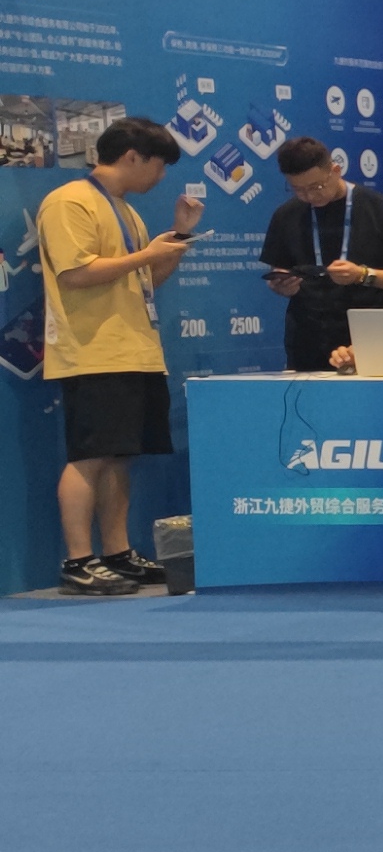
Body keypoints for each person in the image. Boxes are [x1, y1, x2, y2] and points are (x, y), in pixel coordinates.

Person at [41, 117, 202, 598]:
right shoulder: (70, 201)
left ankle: (117, 552)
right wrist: (146, 255)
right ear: (133, 157)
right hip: (93, 351)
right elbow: (75, 273)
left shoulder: (127, 212)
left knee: (119, 457)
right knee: (89, 456)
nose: (161, 177)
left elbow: (145, 281)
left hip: (135, 349)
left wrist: (177, 239)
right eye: (159, 165)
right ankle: (78, 560)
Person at [255, 135, 383, 372]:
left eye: (316, 187)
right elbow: (278, 269)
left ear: (335, 171)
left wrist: (362, 275)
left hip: (370, 340)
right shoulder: (286, 215)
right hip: (307, 341)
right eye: (298, 189)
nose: (309, 196)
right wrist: (282, 286)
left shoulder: (382, 211)